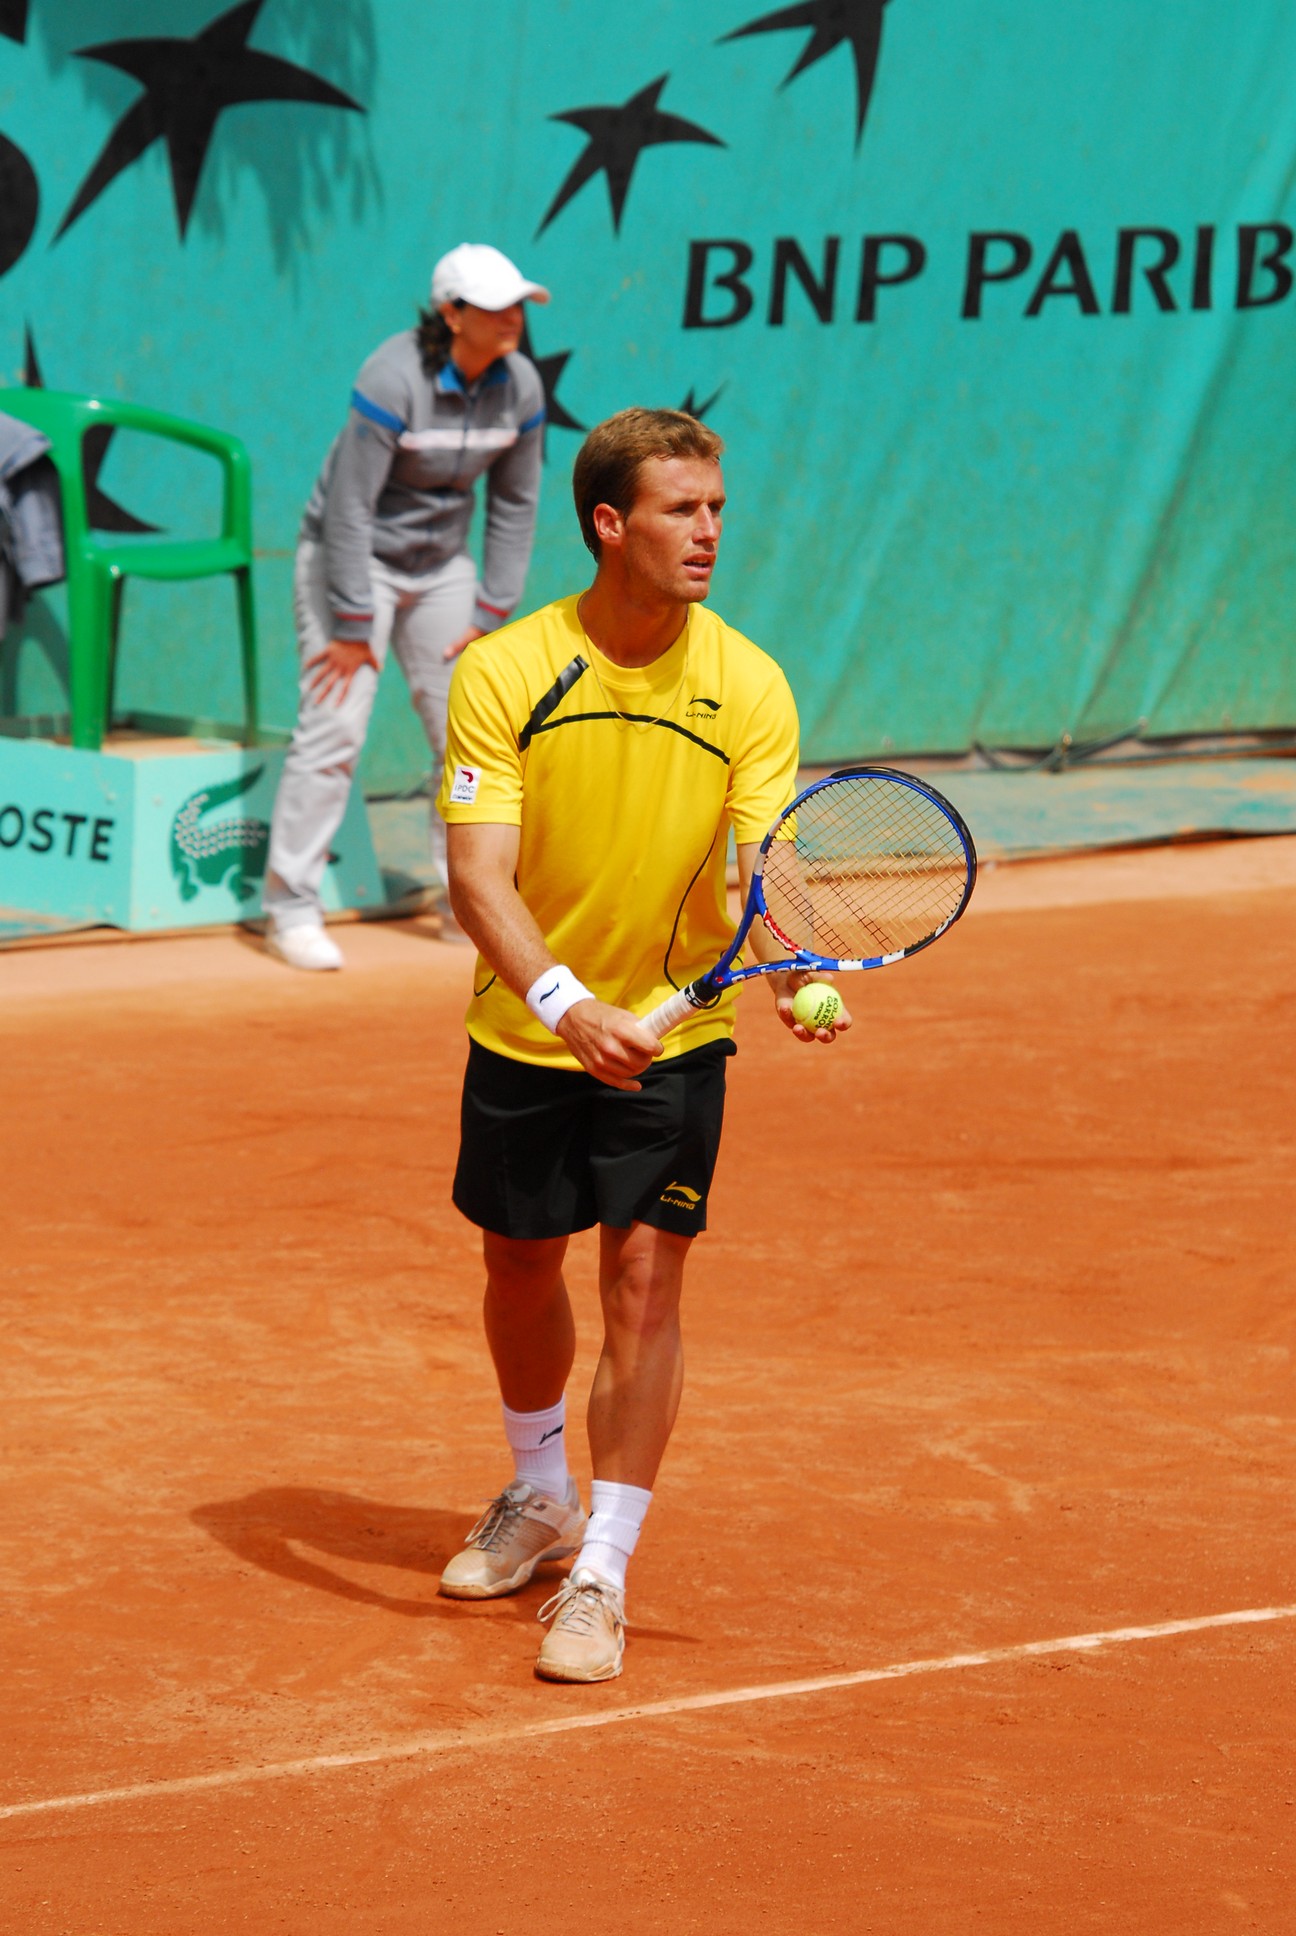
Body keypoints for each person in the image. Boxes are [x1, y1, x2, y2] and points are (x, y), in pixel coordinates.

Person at [435, 407, 852, 1683]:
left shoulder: (750, 682)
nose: (710, 531)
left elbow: (765, 862)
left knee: (644, 1284)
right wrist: (567, 1004)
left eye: (717, 508)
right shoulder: (505, 671)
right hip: (532, 1024)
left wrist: (800, 956)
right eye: (683, 510)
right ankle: (539, 1488)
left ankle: (603, 1567)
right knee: (519, 1265)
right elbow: (476, 878)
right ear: (609, 523)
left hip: (677, 1033)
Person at [262, 243, 549, 969]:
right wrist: (355, 624)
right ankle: (290, 909)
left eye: (517, 303)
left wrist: (491, 608)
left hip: (442, 570)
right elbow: (350, 509)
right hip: (348, 563)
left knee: (471, 737)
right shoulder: (392, 377)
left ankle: (471, 904)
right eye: (494, 306)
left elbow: (516, 502)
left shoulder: (520, 385)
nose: (513, 317)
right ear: (453, 315)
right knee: (333, 731)